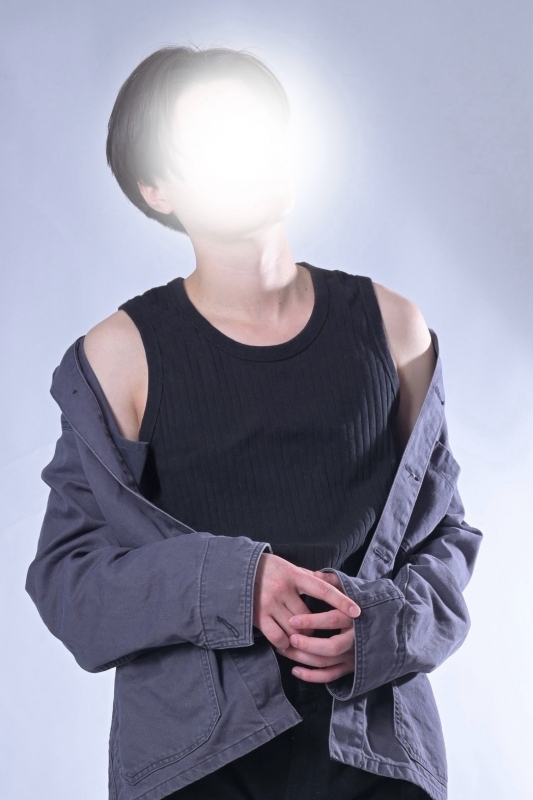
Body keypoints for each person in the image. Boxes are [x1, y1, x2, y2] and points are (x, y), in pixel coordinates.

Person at [27, 45, 482, 800]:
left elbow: (444, 540)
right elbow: (69, 580)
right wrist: (235, 585)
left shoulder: (394, 327)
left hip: (375, 754)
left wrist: (380, 628)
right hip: (193, 762)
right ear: (156, 187)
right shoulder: (119, 356)